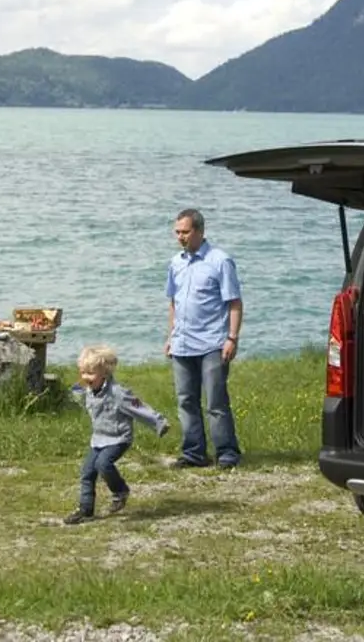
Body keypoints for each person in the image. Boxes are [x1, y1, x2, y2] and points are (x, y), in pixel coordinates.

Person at [163, 208, 243, 469]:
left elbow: (234, 302)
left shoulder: (220, 261)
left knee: (216, 401)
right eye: (177, 232)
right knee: (186, 401)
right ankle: (194, 453)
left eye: (185, 232)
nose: (180, 237)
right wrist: (170, 336)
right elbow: (173, 302)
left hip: (212, 343)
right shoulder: (176, 263)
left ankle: (227, 452)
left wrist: (232, 338)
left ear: (199, 231)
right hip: (182, 343)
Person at [64, 344, 170, 525]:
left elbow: (139, 408)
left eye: (90, 373)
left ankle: (120, 491)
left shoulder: (118, 393)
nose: (85, 377)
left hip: (118, 438)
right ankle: (85, 510)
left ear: (104, 373)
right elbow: (75, 394)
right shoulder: (87, 390)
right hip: (98, 439)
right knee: (87, 471)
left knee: (103, 464)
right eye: (82, 372)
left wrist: (158, 422)